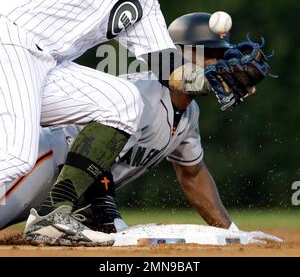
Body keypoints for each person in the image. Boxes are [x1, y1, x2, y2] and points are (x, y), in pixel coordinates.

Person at [0, 0, 205, 245]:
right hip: (11, 39)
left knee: (123, 101)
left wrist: (209, 80)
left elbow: (166, 65)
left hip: (46, 67)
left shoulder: (142, 0)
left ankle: (53, 215)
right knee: (18, 154)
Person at [0, 13, 272, 243]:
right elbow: (91, 145)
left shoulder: (190, 114)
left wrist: (231, 233)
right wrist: (109, 214)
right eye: (208, 52)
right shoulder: (143, 93)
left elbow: (193, 176)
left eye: (221, 54)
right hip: (39, 160)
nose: (217, 62)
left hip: (62, 189)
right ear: (175, 53)